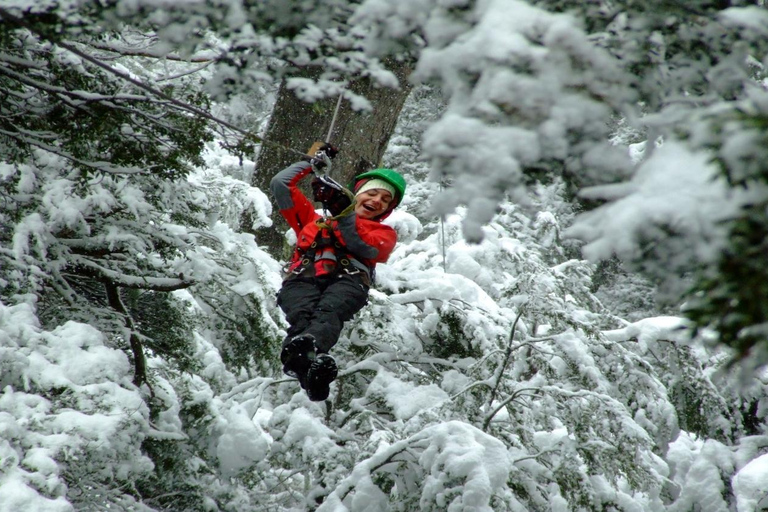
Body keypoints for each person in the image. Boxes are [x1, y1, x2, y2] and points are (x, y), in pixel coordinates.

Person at [269, 148, 406, 401]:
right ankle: (311, 375)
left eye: (386, 200)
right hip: (302, 279)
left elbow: (361, 246)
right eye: (372, 192)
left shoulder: (385, 233)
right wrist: (310, 163)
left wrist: (344, 214)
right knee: (301, 319)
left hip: (348, 281)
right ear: (358, 193)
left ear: (387, 210)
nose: (377, 200)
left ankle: (310, 352)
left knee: (326, 314)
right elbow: (281, 184)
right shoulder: (313, 220)